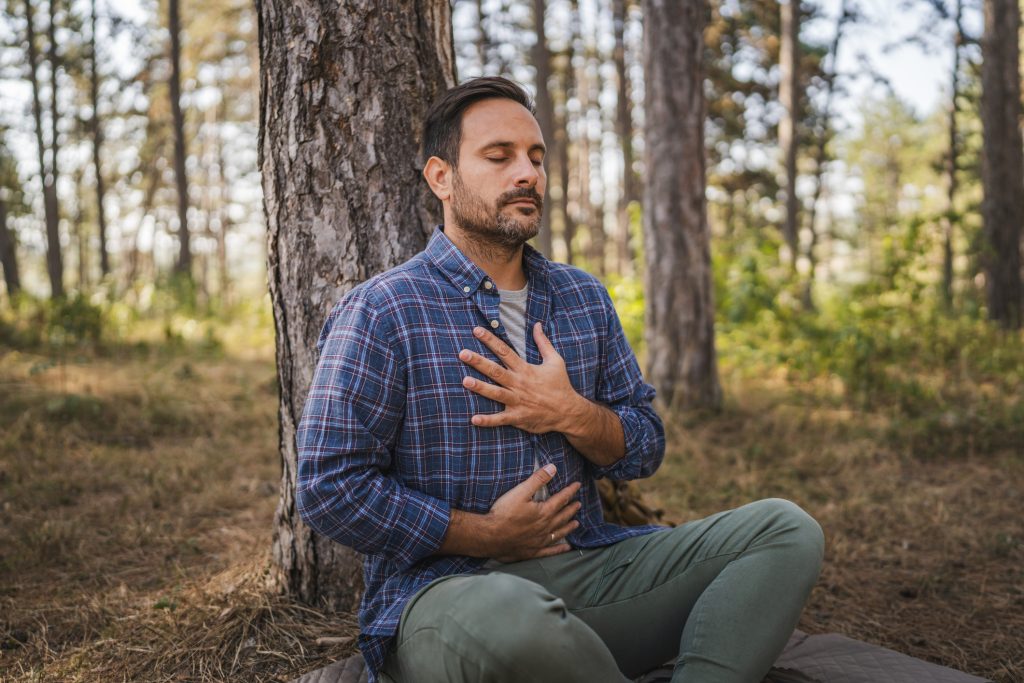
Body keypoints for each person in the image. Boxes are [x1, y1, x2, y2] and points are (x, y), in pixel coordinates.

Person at [296, 76, 824, 683]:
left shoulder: (582, 297)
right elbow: (329, 486)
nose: (528, 173)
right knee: (516, 622)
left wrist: (571, 413)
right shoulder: (384, 309)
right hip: (448, 593)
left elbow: (645, 446)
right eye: (500, 157)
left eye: (536, 157)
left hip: (589, 573)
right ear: (441, 177)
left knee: (786, 530)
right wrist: (484, 533)